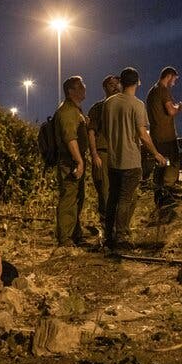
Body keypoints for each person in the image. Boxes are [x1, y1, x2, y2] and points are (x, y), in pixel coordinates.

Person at [102, 68, 167, 251]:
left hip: (113, 159)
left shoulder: (109, 103)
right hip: (130, 160)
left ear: (121, 82)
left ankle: (108, 235)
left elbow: (106, 131)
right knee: (125, 199)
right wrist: (156, 153)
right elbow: (143, 134)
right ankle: (121, 236)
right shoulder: (137, 105)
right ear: (138, 82)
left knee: (112, 198)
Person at [53, 76, 88, 247]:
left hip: (74, 160)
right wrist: (79, 162)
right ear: (71, 91)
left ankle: (74, 234)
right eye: (81, 86)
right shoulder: (67, 111)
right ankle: (65, 238)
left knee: (77, 198)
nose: (84, 88)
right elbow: (70, 139)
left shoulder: (76, 110)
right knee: (69, 198)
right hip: (70, 162)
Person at [146, 67, 182, 207]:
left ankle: (160, 196)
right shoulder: (163, 90)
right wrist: (179, 108)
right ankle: (167, 194)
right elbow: (170, 111)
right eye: (174, 79)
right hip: (167, 137)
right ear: (169, 76)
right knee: (171, 163)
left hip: (156, 136)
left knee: (162, 164)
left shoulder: (152, 91)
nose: (174, 82)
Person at [87, 75, 121, 224]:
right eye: (111, 84)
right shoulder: (98, 107)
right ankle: (106, 224)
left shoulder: (122, 106)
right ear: (105, 87)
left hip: (119, 153)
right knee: (105, 190)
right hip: (104, 153)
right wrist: (94, 154)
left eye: (117, 84)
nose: (115, 87)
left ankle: (117, 224)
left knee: (119, 190)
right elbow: (91, 132)